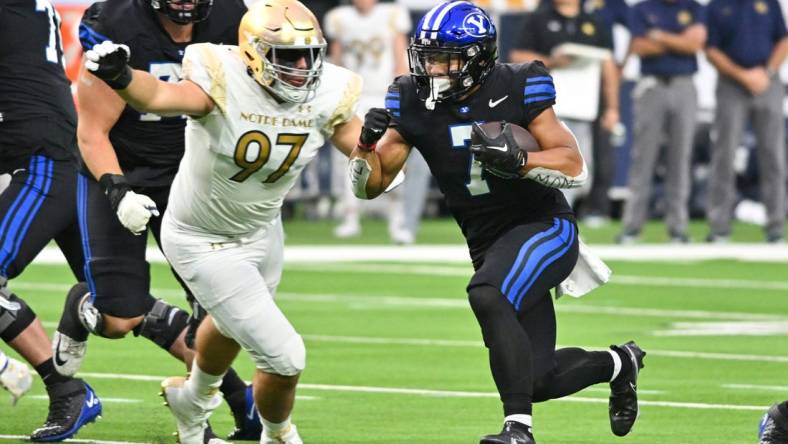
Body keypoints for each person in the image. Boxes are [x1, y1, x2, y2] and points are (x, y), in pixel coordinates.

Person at [347, 2, 645, 443]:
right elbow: (369, 187)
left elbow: (573, 165)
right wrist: (364, 146)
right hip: (488, 244)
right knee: (537, 380)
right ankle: (621, 363)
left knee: (487, 293)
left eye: (446, 58)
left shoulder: (518, 85)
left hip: (545, 228)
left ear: (478, 58)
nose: (433, 69)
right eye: (427, 57)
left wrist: (521, 160)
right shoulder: (412, 98)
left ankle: (517, 431)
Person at [82, 0, 364, 442]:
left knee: (228, 321)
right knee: (284, 356)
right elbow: (158, 95)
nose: (301, 66)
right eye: (287, 55)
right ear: (251, 52)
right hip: (195, 223)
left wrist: (401, 133)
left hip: (259, 224)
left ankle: (193, 400)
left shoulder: (320, 83)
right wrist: (121, 77)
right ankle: (277, 433)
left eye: (308, 54)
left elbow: (371, 162)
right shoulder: (207, 65)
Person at [53, 0, 261, 439]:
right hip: (118, 168)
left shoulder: (232, 20)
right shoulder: (114, 24)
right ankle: (84, 303)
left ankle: (218, 418)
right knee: (117, 319)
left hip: (193, 179)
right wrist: (117, 188)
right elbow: (91, 132)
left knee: (219, 313)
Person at [0, 0, 103, 440]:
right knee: (124, 310)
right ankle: (241, 398)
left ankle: (63, 388)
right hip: (45, 154)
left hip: (42, 164)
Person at [509, 0, 620, 210]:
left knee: (582, 171)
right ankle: (556, 217)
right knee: (552, 165)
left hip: (584, 107)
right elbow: (517, 57)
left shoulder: (594, 22)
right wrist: (550, 61)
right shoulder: (538, 18)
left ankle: (559, 215)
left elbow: (608, 66)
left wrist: (613, 107)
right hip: (547, 109)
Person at [324, 0, 416, 243]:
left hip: (382, 94)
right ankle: (350, 217)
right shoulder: (339, 18)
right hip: (354, 95)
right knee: (351, 156)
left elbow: (400, 57)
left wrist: (399, 94)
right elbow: (337, 61)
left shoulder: (392, 14)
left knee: (393, 157)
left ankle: (397, 221)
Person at [617, 0, 706, 244]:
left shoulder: (694, 8)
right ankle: (632, 226)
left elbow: (694, 44)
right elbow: (639, 46)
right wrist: (678, 40)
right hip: (651, 85)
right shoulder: (642, 9)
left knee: (680, 157)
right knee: (643, 157)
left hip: (684, 85)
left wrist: (659, 36)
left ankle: (678, 227)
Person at [705, 0, 788, 243]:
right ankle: (719, 225)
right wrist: (742, 75)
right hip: (731, 85)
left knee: (773, 155)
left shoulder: (768, 3)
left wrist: (768, 72)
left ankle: (776, 225)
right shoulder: (717, 6)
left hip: (767, 81)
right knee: (724, 155)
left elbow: (784, 39)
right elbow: (710, 49)